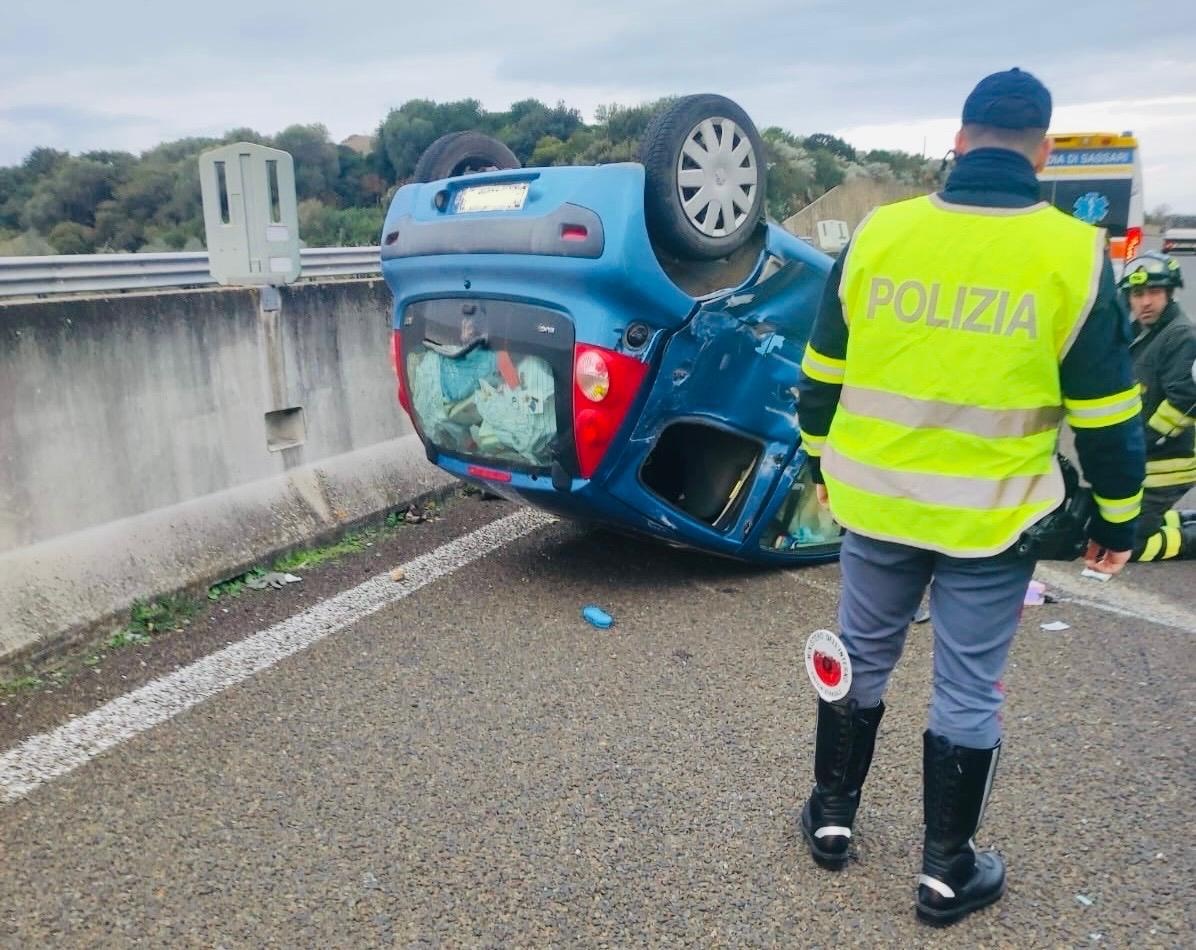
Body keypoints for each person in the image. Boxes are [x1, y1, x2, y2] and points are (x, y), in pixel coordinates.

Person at [794, 67, 1146, 926]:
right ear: (1046, 151)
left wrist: (817, 463)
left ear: (958, 140)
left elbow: (820, 372)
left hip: (875, 504)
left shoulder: (881, 233)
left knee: (863, 660)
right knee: (966, 688)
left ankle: (832, 820)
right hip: (993, 520)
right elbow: (1107, 413)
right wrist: (1119, 514)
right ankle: (945, 871)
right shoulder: (1072, 253)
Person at [1119, 251, 1196, 560]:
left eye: (1154, 292)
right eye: (1138, 294)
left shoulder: (1180, 336)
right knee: (1106, 525)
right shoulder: (1140, 333)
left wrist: (1139, 444)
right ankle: (1182, 519)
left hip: (1168, 464)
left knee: (1126, 544)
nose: (1145, 302)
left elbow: (1184, 402)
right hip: (1145, 462)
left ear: (1169, 292)